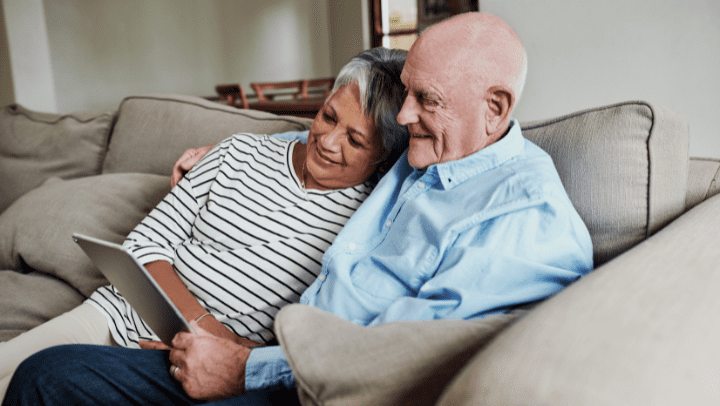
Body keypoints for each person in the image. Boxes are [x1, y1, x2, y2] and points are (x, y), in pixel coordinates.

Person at [4, 12, 594, 406]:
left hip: (298, 386)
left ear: (495, 106)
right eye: (409, 94)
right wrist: (237, 153)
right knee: (44, 374)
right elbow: (338, 126)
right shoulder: (432, 155)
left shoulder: (521, 215)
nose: (409, 114)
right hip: (257, 358)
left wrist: (243, 367)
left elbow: (406, 354)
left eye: (425, 100)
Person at [0, 47, 409, 402]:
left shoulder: (366, 218)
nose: (328, 140)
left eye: (355, 140)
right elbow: (145, 246)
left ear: (382, 157)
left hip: (201, 365)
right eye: (328, 116)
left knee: (44, 382)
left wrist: (221, 349)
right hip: (117, 313)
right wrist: (202, 325)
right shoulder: (238, 152)